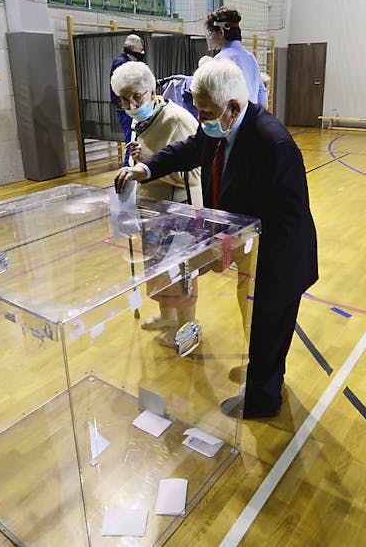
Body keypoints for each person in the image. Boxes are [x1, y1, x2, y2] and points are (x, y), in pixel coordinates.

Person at [114, 60, 318, 419]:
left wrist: (236, 244)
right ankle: (263, 376)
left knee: (269, 325)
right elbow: (188, 149)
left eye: (206, 112)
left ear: (234, 107)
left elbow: (289, 216)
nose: (201, 118)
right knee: (259, 322)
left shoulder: (273, 142)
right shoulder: (219, 127)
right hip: (243, 240)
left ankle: (263, 401)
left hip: (278, 253)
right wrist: (145, 168)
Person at [111, 60, 203, 341]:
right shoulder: (141, 120)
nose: (130, 105)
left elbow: (195, 174)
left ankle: (187, 328)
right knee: (157, 268)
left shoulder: (177, 119)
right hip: (151, 209)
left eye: (136, 97)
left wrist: (150, 160)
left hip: (179, 211)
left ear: (152, 91)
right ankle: (167, 316)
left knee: (181, 271)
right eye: (123, 100)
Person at [206, 6, 268, 107]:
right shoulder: (250, 58)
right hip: (252, 115)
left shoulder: (220, 60)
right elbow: (262, 97)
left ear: (221, 32)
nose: (211, 37)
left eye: (211, 32)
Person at [110, 34, 146, 163]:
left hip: (131, 108)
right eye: (140, 49)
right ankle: (127, 170)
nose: (141, 52)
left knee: (134, 140)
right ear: (133, 48)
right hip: (126, 109)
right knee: (131, 141)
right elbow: (122, 88)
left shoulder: (128, 62)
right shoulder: (121, 63)